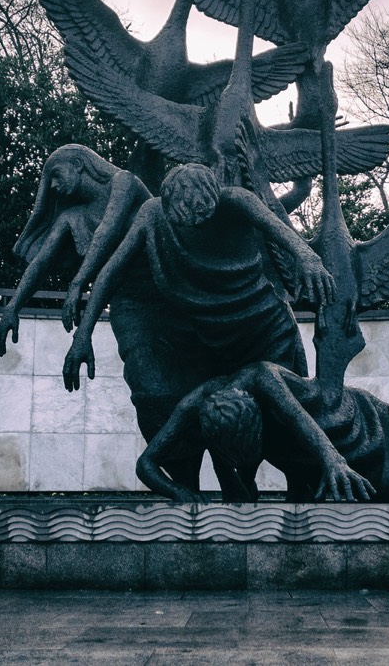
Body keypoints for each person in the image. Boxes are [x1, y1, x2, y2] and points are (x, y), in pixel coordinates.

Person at [62, 162, 334, 488]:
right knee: (229, 415)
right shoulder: (153, 214)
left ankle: (310, 487)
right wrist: (83, 334)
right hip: (217, 341)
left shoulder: (236, 200)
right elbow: (111, 272)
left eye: (201, 222)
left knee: (286, 416)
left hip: (266, 331)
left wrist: (308, 258)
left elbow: (281, 231)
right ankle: (239, 492)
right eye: (184, 223)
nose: (193, 230)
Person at [135, 360, 389, 504]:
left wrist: (334, 460)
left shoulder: (262, 377)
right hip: (292, 447)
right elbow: (145, 464)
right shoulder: (193, 405)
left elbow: (299, 418)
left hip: (346, 419)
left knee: (388, 490)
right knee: (242, 499)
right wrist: (178, 492)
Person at [0, 144, 150, 356]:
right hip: (128, 300)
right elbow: (41, 262)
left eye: (56, 175)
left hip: (165, 284)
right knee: (141, 368)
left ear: (77, 164)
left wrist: (77, 283)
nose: (53, 186)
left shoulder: (123, 182)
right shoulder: (72, 217)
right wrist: (12, 308)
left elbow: (107, 231)